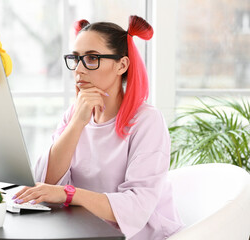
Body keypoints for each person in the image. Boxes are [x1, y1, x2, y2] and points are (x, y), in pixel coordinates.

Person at [13, 15, 184, 240]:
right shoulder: (76, 115)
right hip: (84, 230)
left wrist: (68, 194)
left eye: (92, 58)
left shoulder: (147, 121)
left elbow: (137, 206)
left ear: (122, 65)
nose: (79, 70)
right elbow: (47, 182)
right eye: (76, 59)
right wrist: (77, 123)